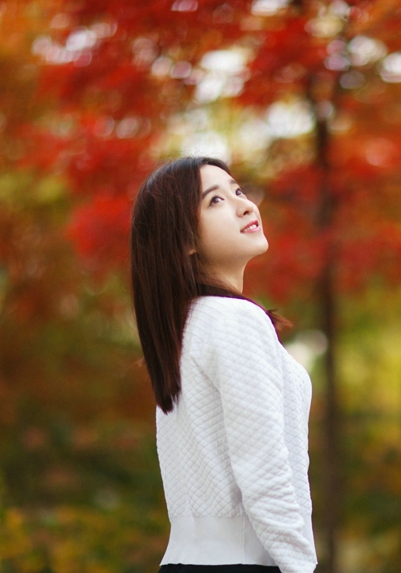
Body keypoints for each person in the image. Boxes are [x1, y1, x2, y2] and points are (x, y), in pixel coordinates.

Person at [129, 157, 317, 573]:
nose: (245, 205)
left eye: (238, 191)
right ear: (184, 241)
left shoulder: (184, 327)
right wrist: (301, 567)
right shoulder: (234, 321)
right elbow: (265, 474)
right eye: (215, 201)